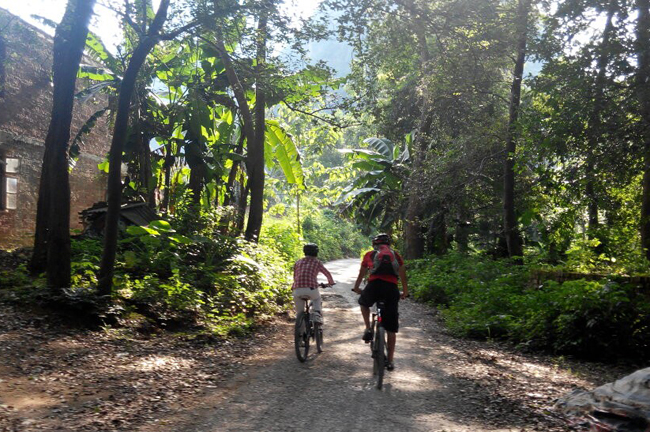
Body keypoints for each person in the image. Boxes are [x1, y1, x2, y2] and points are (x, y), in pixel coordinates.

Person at [352, 233, 408, 371]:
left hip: (374, 286)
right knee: (391, 328)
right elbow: (402, 275)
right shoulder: (396, 255)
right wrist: (405, 292)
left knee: (364, 304)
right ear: (389, 244)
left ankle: (367, 328)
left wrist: (357, 287)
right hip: (391, 289)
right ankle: (390, 361)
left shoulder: (370, 255)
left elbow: (362, 273)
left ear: (374, 244)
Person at [292, 243, 335, 323]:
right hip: (311, 289)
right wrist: (331, 282)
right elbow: (327, 273)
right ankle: (317, 314)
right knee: (317, 298)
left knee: (299, 313)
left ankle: (300, 328)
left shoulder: (298, 262)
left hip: (297, 290)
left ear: (304, 252)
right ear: (316, 253)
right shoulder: (317, 262)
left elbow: (295, 277)